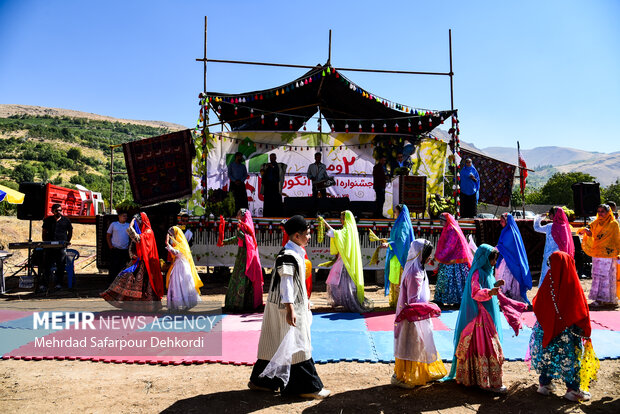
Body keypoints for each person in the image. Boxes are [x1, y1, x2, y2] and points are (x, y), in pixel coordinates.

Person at [249, 215, 330, 399]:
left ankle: (262, 382)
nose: (309, 237)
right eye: (307, 234)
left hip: (284, 306)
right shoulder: (288, 256)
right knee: (299, 345)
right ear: (296, 236)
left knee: (273, 343)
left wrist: (304, 301)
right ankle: (308, 387)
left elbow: (296, 282)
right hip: (286, 308)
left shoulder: (294, 253)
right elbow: (286, 283)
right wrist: (290, 308)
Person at [445, 244, 527, 393]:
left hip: (486, 314)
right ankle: (490, 382)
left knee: (486, 346)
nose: (495, 263)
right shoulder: (476, 273)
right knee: (489, 346)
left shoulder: (486, 272)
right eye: (493, 260)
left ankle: (479, 379)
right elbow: (475, 292)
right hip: (480, 318)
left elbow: (486, 285)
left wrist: (495, 285)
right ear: (484, 259)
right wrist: (490, 292)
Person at [528, 251, 599, 402]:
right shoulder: (571, 282)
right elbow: (580, 308)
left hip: (547, 329)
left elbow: (538, 303)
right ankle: (572, 390)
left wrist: (547, 321)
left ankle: (544, 385)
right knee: (569, 358)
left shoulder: (549, 280)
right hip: (566, 332)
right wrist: (583, 328)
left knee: (547, 355)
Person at [392, 239, 447, 388]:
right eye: (428, 254)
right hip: (413, 317)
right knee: (412, 344)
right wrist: (430, 307)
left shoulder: (417, 268)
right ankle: (404, 377)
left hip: (418, 314)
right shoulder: (415, 272)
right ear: (420, 254)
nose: (430, 257)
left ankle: (417, 372)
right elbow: (413, 301)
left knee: (420, 343)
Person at [101, 212, 164, 312]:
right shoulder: (144, 232)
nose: (136, 225)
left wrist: (131, 225)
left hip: (146, 264)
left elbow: (137, 239)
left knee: (143, 285)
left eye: (138, 222)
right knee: (128, 280)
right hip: (139, 261)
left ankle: (147, 306)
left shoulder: (148, 232)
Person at [220, 209, 264, 313]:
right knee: (238, 278)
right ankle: (235, 303)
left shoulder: (246, 227)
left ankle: (243, 304)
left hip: (246, 257)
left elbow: (246, 239)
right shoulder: (243, 226)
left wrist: (239, 230)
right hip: (241, 256)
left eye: (239, 213)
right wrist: (224, 242)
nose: (237, 215)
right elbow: (238, 238)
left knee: (243, 278)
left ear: (243, 215)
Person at [322, 211, 367, 312]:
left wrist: (325, 223)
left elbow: (335, 234)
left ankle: (346, 301)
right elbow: (337, 234)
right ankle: (343, 301)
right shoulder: (350, 230)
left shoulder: (347, 230)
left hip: (345, 261)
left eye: (342, 218)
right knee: (341, 281)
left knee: (340, 281)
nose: (340, 220)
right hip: (345, 259)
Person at [578, 204, 620, 307]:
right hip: (597, 253)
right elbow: (590, 231)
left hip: (609, 255)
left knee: (607, 277)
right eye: (599, 211)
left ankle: (609, 300)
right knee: (597, 277)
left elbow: (617, 240)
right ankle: (599, 300)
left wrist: (618, 253)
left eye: (603, 211)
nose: (600, 213)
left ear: (608, 212)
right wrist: (585, 231)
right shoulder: (596, 222)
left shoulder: (613, 224)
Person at [433, 213, 473, 306]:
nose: (440, 223)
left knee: (453, 279)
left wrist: (440, 256)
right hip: (449, 258)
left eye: (442, 221)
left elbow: (450, 246)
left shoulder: (451, 230)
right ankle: (441, 299)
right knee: (445, 279)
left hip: (456, 259)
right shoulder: (447, 229)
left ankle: (457, 300)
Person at [382, 204, 415, 307]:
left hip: (400, 257)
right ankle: (396, 302)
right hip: (396, 256)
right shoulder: (399, 223)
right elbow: (397, 239)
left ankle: (400, 303)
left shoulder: (403, 224)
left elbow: (401, 241)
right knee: (395, 279)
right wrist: (388, 241)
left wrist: (389, 244)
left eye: (395, 212)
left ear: (400, 213)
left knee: (398, 281)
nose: (394, 214)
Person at [496, 213, 532, 303]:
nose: (500, 223)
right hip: (507, 260)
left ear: (507, 221)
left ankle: (507, 298)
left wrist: (495, 248)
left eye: (502, 221)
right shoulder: (506, 231)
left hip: (511, 262)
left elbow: (505, 247)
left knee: (506, 278)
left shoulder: (510, 233)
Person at [534, 206, 574, 286]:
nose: (549, 216)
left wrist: (539, 217)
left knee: (547, 275)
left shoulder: (551, 226)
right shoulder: (565, 227)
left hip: (550, 256)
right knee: (558, 276)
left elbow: (537, 228)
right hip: (560, 256)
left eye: (550, 214)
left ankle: (546, 295)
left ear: (554, 215)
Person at [165, 226, 203, 311]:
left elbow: (177, 253)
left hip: (181, 266)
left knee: (181, 283)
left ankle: (186, 303)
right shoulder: (176, 242)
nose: (172, 237)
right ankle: (177, 304)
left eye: (172, 234)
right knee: (176, 283)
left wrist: (167, 244)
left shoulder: (182, 243)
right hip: (178, 265)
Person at [41, 203, 73, 291]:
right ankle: (44, 284)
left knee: (61, 265)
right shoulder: (48, 220)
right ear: (52, 211)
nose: (59, 212)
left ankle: (59, 283)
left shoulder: (66, 220)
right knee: (46, 265)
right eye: (56, 210)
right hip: (49, 246)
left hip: (61, 247)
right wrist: (45, 243)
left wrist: (67, 242)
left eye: (60, 210)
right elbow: (44, 232)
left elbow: (70, 231)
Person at [106, 211, 130, 283]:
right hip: (115, 249)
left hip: (124, 250)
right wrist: (110, 246)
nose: (125, 218)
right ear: (119, 216)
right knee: (113, 267)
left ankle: (121, 284)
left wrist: (129, 247)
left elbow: (132, 237)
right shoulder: (114, 224)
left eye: (126, 216)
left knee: (123, 267)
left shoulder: (128, 225)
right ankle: (112, 283)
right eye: (123, 216)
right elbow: (108, 235)